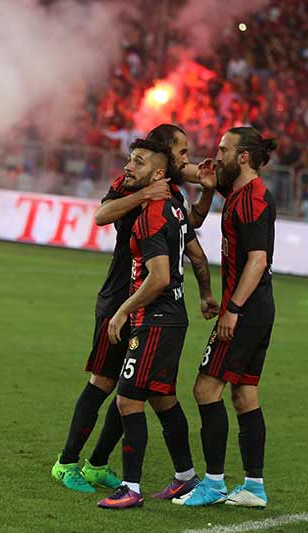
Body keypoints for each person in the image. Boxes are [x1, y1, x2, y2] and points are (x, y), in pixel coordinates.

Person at [51, 124, 217, 494]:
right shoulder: (134, 178)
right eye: (181, 151)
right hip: (119, 298)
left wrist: (206, 190)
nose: (186, 158)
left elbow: (192, 228)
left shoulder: (170, 189)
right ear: (165, 153)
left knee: (133, 386)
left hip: (147, 303)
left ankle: (96, 463)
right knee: (105, 381)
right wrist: (144, 194)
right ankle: (66, 462)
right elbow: (102, 215)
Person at [98, 138, 217, 509]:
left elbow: (160, 276)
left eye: (140, 161)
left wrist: (122, 310)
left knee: (127, 400)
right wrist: (206, 294)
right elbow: (197, 256)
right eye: (129, 159)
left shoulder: (151, 213)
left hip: (156, 319)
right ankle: (185, 477)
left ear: (159, 173)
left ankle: (130, 488)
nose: (130, 166)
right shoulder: (175, 208)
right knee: (163, 399)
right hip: (173, 317)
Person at [175, 126, 276, 509]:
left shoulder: (252, 200)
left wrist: (232, 309)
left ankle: (214, 483)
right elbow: (193, 174)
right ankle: (254, 487)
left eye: (223, 149)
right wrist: (168, 164)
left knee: (205, 389)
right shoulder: (236, 190)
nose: (216, 156)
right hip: (258, 307)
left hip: (246, 310)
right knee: (244, 392)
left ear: (244, 157)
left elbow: (257, 260)